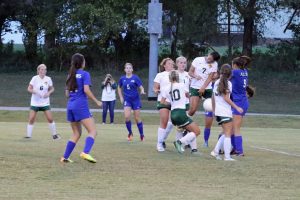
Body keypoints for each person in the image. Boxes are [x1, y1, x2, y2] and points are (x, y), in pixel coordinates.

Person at [61, 53, 102, 163]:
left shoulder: (70, 75)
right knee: (93, 131)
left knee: (76, 133)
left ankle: (65, 157)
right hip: (80, 106)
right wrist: (96, 101)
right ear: (82, 62)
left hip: (70, 106)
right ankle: (85, 152)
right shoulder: (85, 74)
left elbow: (67, 94)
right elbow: (86, 90)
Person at [160, 70, 201, 155]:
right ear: (178, 77)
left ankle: (190, 148)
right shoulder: (182, 85)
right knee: (197, 131)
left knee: (185, 130)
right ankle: (180, 142)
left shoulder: (166, 88)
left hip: (173, 114)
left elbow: (162, 102)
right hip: (181, 113)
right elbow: (187, 95)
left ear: (169, 78)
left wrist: (171, 103)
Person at [210, 64, 243, 161]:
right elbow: (226, 98)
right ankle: (227, 156)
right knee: (228, 134)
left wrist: (214, 110)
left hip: (218, 112)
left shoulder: (216, 82)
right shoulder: (228, 83)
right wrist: (237, 107)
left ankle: (215, 151)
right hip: (225, 111)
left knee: (225, 132)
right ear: (230, 74)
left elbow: (213, 97)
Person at [188, 52, 220, 147]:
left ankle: (206, 141)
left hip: (207, 88)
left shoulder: (214, 64)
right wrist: (195, 76)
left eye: (212, 60)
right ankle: (183, 125)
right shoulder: (198, 59)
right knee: (192, 110)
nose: (210, 60)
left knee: (210, 113)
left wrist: (203, 87)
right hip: (195, 87)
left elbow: (210, 78)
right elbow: (190, 72)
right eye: (210, 58)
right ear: (209, 54)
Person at [25, 64, 61, 140]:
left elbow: (52, 88)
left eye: (45, 69)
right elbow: (29, 88)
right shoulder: (34, 78)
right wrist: (33, 91)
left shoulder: (48, 79)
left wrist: (48, 93)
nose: (43, 71)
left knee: (50, 119)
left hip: (45, 102)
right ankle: (28, 136)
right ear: (38, 70)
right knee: (31, 118)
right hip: (35, 102)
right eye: (41, 69)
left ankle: (54, 135)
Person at [117, 63, 146, 141]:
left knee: (137, 118)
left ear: (132, 69)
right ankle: (130, 133)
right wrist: (121, 97)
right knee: (127, 117)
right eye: (127, 68)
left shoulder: (135, 78)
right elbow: (119, 87)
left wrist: (142, 91)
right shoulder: (122, 78)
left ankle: (142, 135)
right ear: (125, 70)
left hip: (135, 100)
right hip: (127, 100)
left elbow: (141, 87)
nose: (128, 69)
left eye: (130, 68)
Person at [230, 56, 252, 156]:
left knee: (236, 128)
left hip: (238, 102)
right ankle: (235, 149)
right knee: (233, 127)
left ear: (235, 65)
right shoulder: (245, 71)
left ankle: (240, 151)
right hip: (243, 101)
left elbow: (224, 74)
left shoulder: (235, 72)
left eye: (232, 65)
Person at [153, 58, 175, 152]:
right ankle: (159, 144)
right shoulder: (160, 75)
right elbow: (155, 88)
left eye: (172, 64)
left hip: (174, 101)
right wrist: (156, 91)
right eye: (169, 63)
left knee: (172, 122)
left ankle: (162, 139)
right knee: (164, 121)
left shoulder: (176, 74)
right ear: (164, 65)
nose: (171, 65)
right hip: (163, 101)